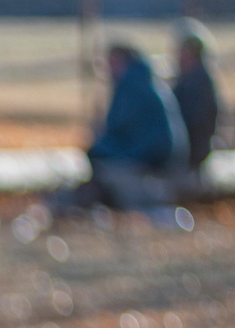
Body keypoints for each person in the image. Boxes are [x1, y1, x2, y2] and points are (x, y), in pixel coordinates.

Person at [58, 43, 189, 212]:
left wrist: (98, 145)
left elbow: (117, 126)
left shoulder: (130, 84)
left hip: (153, 154)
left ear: (122, 61)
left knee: (98, 154)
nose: (108, 69)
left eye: (112, 63)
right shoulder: (147, 79)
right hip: (166, 152)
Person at [174, 22, 220, 178]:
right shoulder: (188, 77)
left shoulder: (199, 81)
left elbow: (195, 120)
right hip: (188, 149)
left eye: (182, 51)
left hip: (193, 152)